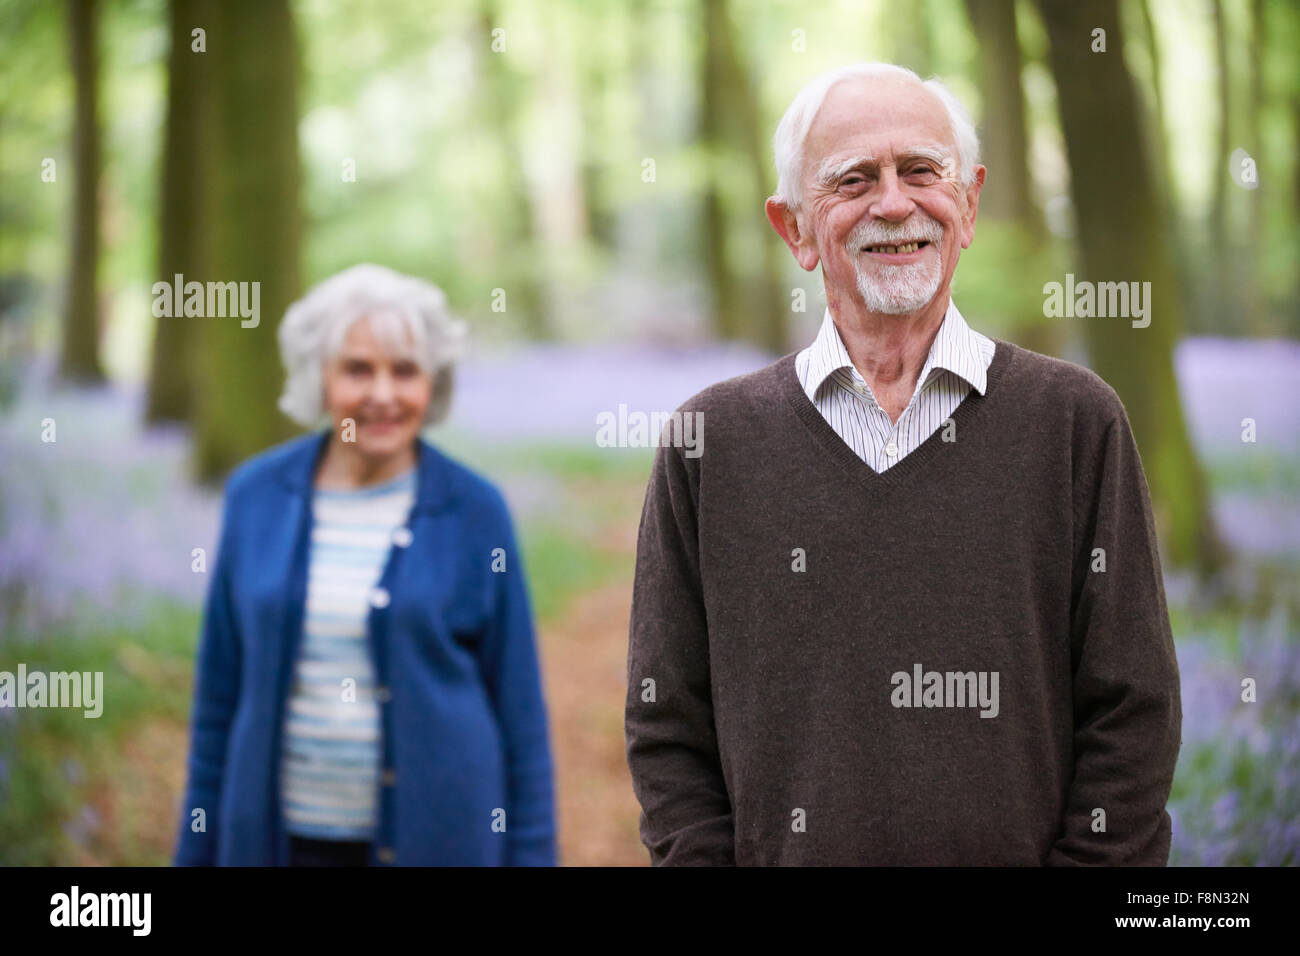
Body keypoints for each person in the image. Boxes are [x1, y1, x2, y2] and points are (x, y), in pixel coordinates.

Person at [624, 63, 1182, 865]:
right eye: (853, 180)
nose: (893, 203)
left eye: (921, 170)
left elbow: (1134, 710)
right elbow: (667, 725)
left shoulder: (1074, 423)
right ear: (796, 230)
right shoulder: (709, 442)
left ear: (968, 204)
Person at [174, 264, 556, 866]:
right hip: (278, 845)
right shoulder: (256, 497)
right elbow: (218, 701)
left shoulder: (476, 512)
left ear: (433, 384)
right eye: (358, 368)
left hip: (444, 844)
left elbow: (520, 713)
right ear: (317, 378)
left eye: (405, 371)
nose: (382, 394)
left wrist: (533, 857)